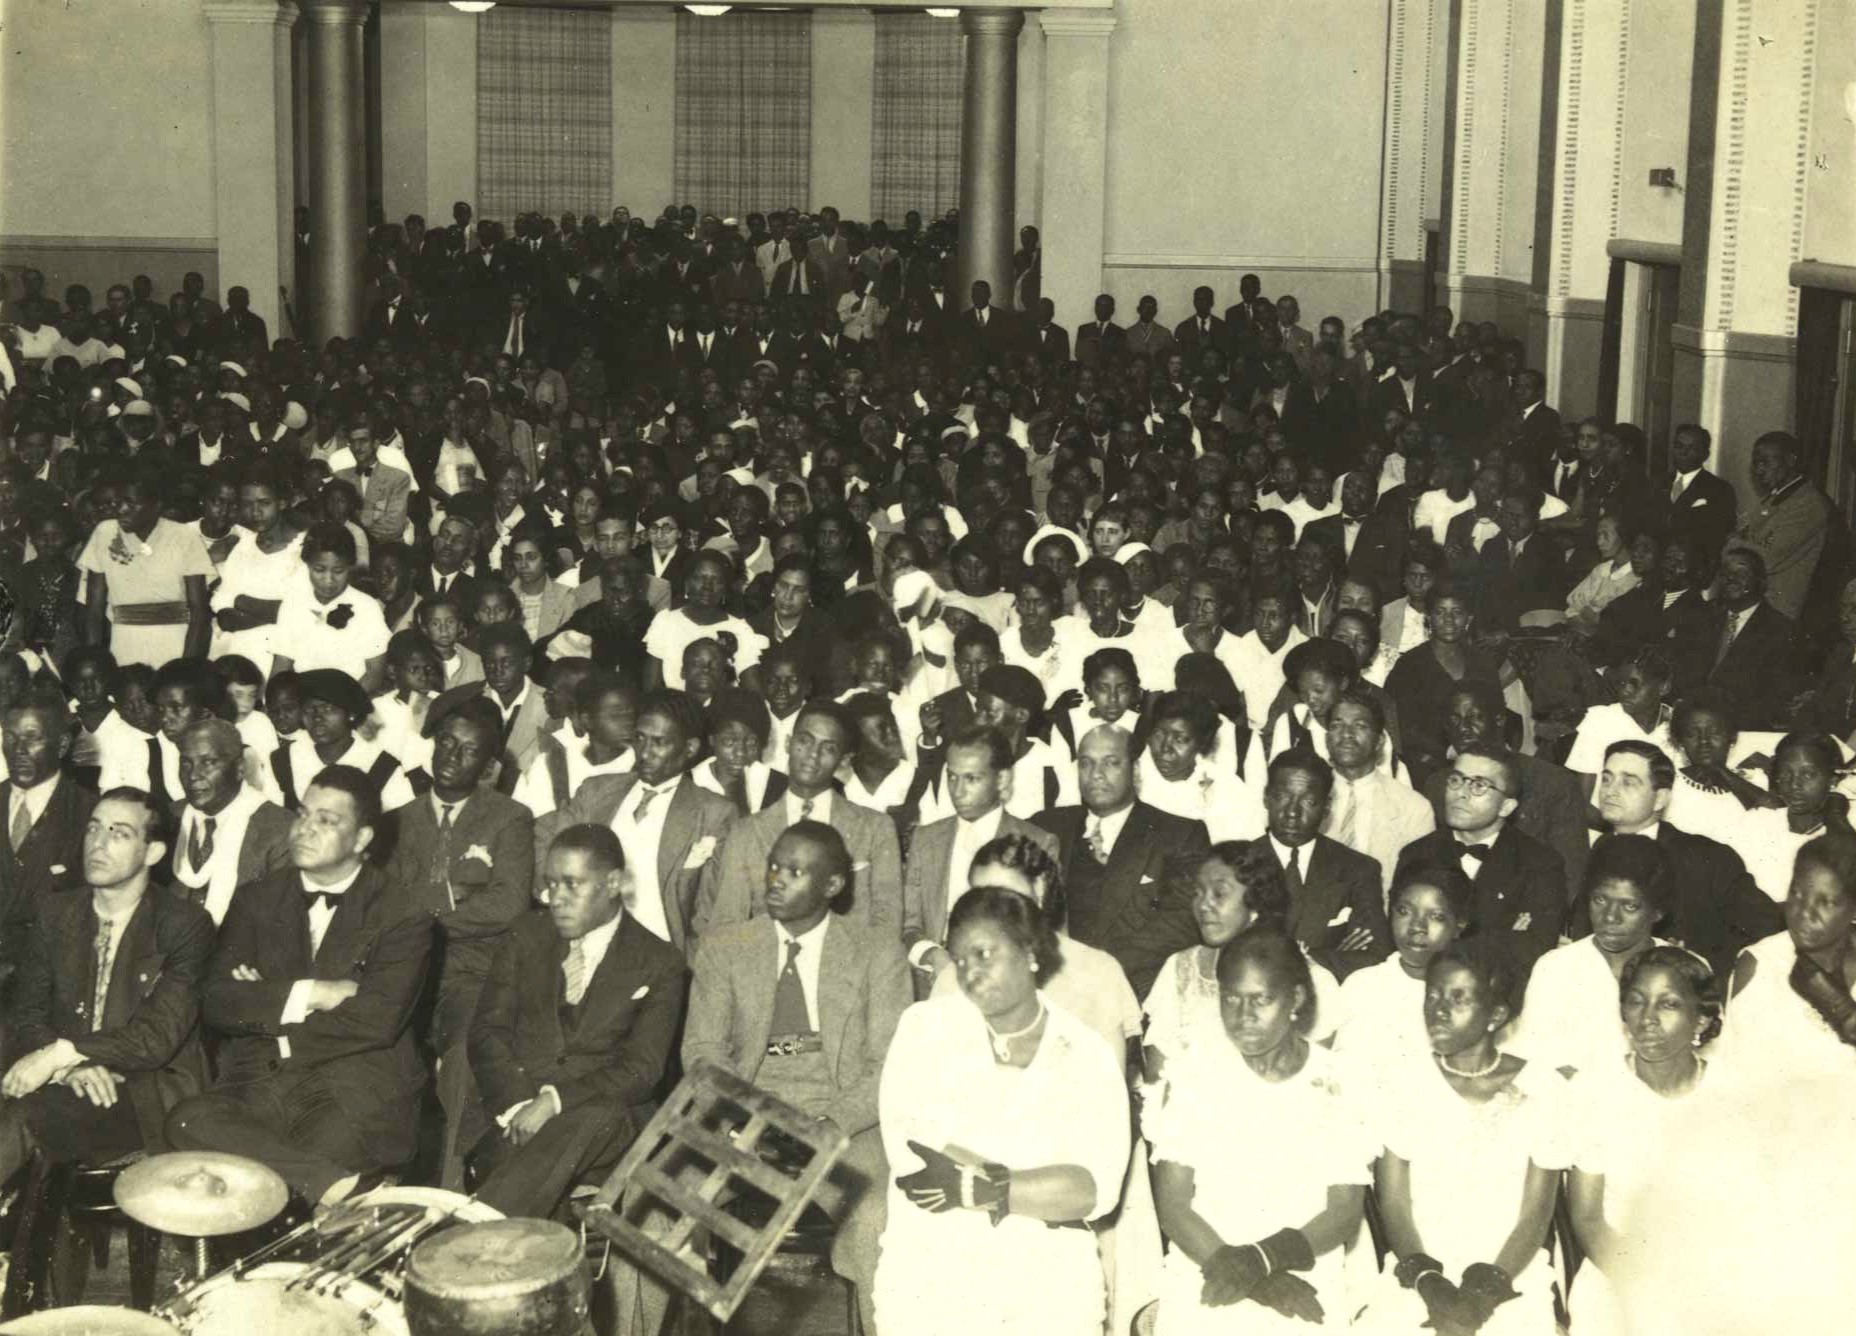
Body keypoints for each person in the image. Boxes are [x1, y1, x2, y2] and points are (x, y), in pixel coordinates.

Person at [673, 822, 909, 1334]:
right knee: (652, 1209)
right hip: (741, 1115)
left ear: (832, 886)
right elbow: (703, 1052)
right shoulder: (724, 946)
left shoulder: (877, 952)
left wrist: (827, 1126)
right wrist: (749, 1123)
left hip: (845, 1125)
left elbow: (889, 1063)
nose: (775, 880)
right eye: (774, 866)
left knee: (876, 1224)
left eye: (795, 872)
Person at [166, 768, 435, 1210]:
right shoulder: (256, 898)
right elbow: (215, 1001)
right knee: (186, 1121)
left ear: (363, 838)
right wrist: (312, 993)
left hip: (351, 1085)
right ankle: (336, 1188)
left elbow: (376, 1021)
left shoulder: (403, 913)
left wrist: (269, 1004)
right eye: (302, 813)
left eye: (327, 820)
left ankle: (318, 1208)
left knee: (287, 1169)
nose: (305, 829)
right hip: (258, 1081)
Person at [874, 886, 1132, 1336]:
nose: (969, 974)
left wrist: (973, 1183)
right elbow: (914, 1157)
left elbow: (1096, 1190)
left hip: (1047, 1274)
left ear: (1031, 952)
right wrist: (1031, 1181)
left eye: (984, 954)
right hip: (936, 1262)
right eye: (960, 960)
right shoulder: (924, 1028)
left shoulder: (1086, 1051)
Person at [1149, 926, 1373, 1336]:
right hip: (1209, 1266)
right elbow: (1175, 1204)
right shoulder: (1194, 1073)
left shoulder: (1338, 1080)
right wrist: (1250, 1275)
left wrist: (1264, 1259)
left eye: (1261, 1000)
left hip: (1305, 1267)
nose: (1243, 1016)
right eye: (1230, 999)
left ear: (1296, 999)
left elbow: (1343, 1209)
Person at [466, 823, 686, 1220]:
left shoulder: (660, 961)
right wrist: (520, 1105)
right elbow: (487, 1032)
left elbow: (642, 1070)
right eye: (550, 885)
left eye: (573, 885)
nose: (556, 899)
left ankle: (475, 1225)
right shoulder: (525, 935)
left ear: (613, 883)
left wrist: (553, 1102)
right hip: (515, 1116)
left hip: (606, 1129)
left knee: (602, 1114)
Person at [0, 789, 213, 1184]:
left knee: (24, 1117)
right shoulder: (56, 912)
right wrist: (66, 1069)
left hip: (140, 1092)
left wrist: (63, 1054)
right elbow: (27, 1012)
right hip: (67, 1080)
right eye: (94, 828)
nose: (97, 843)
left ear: (152, 853)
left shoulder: (185, 925)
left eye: (119, 833)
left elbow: (155, 1037)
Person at [1365, 940, 1572, 1336]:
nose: (1438, 1010)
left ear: (1495, 1014)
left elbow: (1536, 1213)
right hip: (1419, 1270)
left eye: (1458, 998)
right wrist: (1428, 1281)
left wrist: (1483, 1293)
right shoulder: (1402, 1081)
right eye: (1433, 995)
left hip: (1510, 1273)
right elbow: (1393, 1201)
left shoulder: (1543, 1086)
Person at [385, 693, 535, 1182]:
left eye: (467, 750)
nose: (451, 756)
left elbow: (507, 904)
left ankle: (447, 1189)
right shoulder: (397, 821)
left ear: (489, 765)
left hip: (469, 970)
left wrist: (422, 911)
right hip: (399, 969)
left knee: (464, 1059)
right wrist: (457, 892)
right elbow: (381, 904)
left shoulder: (509, 818)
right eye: (445, 743)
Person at [1565, 946, 1725, 1336]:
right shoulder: (1595, 1089)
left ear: (1701, 1018)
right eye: (1636, 1001)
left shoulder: (1732, 1090)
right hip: (1619, 1274)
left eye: (1668, 1004)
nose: (1647, 1019)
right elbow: (1587, 1217)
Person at [544, 689, 738, 957]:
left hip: (661, 959)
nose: (644, 752)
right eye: (640, 738)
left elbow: (710, 913)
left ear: (690, 748)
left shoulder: (714, 814)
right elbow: (551, 859)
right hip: (582, 948)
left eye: (659, 742)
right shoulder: (595, 793)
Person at [1144, 842, 1345, 1093]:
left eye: (1219, 893)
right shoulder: (1180, 968)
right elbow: (1157, 1078)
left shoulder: (1313, 980)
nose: (1203, 905)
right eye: (1198, 892)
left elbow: (1318, 1084)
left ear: (1257, 901)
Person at [1032, 722, 1211, 998]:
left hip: (1133, 992)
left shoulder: (1179, 835)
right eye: (1086, 764)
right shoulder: (1045, 826)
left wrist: (1097, 969)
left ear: (1135, 771)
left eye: (1111, 763)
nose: (1096, 775)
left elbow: (1182, 921)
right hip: (1049, 990)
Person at [1579, 739, 1784, 977]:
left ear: (1660, 799)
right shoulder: (1598, 850)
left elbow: (1766, 928)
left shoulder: (1707, 858)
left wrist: (1696, 964)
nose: (1610, 791)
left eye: (1628, 782)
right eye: (1606, 778)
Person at [698, 699, 902, 935]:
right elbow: (728, 924)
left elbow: (887, 926)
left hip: (847, 968)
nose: (812, 755)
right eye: (805, 741)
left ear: (844, 760)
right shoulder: (746, 833)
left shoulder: (876, 829)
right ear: (788, 742)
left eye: (828, 748)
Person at [900, 726, 1061, 992]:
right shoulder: (926, 840)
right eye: (952, 777)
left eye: (972, 779)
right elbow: (908, 924)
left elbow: (1047, 935)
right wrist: (932, 955)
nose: (958, 791)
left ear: (1002, 780)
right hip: (932, 983)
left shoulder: (1038, 843)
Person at [1398, 744, 1567, 978]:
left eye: (1478, 785)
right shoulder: (1416, 855)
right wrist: (1501, 935)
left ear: (1507, 806)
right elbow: (1405, 943)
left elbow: (1531, 952)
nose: (1461, 793)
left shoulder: (1540, 863)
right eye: (1456, 780)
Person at [1511, 834, 1671, 1078]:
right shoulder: (1556, 968)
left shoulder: (1682, 968)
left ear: (1658, 912)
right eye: (1599, 900)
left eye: (1629, 906)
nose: (1609, 917)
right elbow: (1535, 1061)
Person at [1719, 834, 1856, 1088]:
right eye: (1797, 893)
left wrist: (1843, 1009)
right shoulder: (1760, 965)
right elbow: (1738, 1079)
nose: (1804, 912)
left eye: (1825, 902)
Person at [1246, 749, 1390, 979]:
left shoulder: (1358, 870)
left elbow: (1376, 956)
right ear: (1266, 798)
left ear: (1325, 808)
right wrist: (1327, 956)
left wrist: (1283, 959)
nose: (1292, 812)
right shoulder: (1237, 864)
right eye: (1282, 797)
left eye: (1309, 801)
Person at [1334, 863, 1476, 1070]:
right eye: (1404, 911)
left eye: (1436, 916)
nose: (1416, 927)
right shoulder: (1363, 985)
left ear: (1459, 925)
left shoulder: (1473, 993)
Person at [78, 465, 214, 666]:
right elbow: (94, 609)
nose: (122, 509)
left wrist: (186, 666)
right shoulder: (105, 532)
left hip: (175, 642)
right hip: (124, 642)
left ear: (156, 505)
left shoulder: (184, 536)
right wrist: (96, 662)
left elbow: (199, 611)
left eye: (132, 503)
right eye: (119, 502)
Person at [0, 698, 96, 975]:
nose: (19, 750)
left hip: (50, 974)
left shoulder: (89, 811)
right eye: (10, 737)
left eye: (33, 738)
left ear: (63, 745)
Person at [170, 718, 293, 925]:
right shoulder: (170, 817)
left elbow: (280, 925)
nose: (193, 775)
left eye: (208, 763)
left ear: (240, 769)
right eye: (186, 763)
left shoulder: (280, 830)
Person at [1321, 686, 1434, 895]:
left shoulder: (1414, 809)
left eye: (1360, 726)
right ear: (1327, 738)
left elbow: (1417, 889)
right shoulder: (1306, 798)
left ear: (1379, 741)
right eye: (1337, 725)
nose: (1347, 734)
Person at [267, 668, 417, 812]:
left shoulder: (383, 767)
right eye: (309, 710)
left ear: (350, 713)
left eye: (328, 709)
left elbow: (404, 828)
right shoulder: (282, 760)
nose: (317, 717)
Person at [269, 523, 391, 692]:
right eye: (319, 570)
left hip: (352, 696)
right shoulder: (293, 603)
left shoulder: (367, 607)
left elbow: (375, 673)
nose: (328, 580)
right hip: (304, 698)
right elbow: (282, 664)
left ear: (350, 566)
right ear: (307, 564)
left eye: (338, 571)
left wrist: (346, 705)